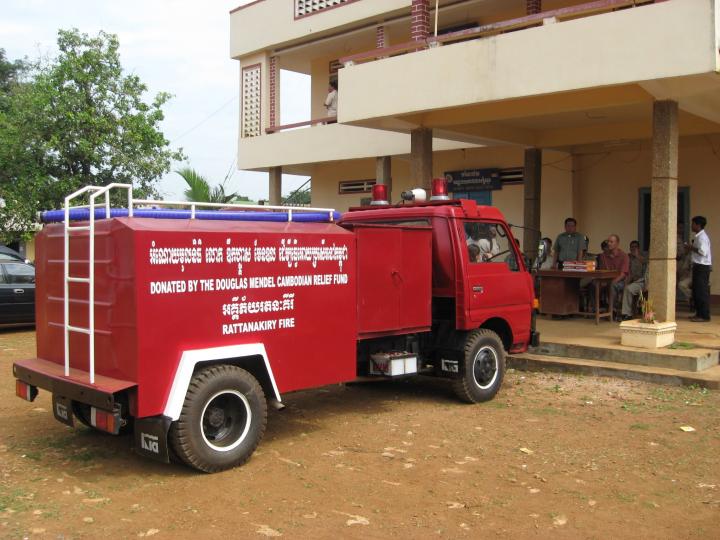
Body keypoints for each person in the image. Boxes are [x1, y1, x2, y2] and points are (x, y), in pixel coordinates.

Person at [687, 215, 712, 322]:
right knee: (697, 291)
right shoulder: (698, 236)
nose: (691, 226)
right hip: (698, 266)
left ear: (698, 225)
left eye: (693, 224)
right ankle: (699, 313)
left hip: (702, 267)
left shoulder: (702, 237)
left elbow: (703, 252)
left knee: (701, 292)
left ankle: (704, 315)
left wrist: (691, 247)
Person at [598, 234, 629, 313]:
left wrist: (613, 281)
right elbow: (602, 271)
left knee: (613, 285)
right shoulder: (603, 256)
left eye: (611, 242)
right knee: (594, 284)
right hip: (607, 279)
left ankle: (612, 310)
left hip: (620, 281)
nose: (609, 243)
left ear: (617, 243)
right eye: (608, 241)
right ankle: (596, 309)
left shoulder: (624, 256)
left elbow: (623, 274)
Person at [620, 240, 647, 320]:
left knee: (629, 289)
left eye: (635, 247)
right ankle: (624, 313)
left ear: (639, 248)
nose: (633, 248)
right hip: (633, 280)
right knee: (623, 287)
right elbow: (629, 272)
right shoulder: (629, 257)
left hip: (643, 281)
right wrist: (626, 282)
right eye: (632, 247)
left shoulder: (644, 255)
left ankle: (627, 313)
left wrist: (637, 255)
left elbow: (646, 262)